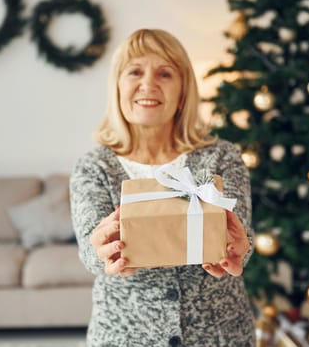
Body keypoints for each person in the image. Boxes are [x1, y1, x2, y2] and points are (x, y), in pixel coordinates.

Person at [70, 28, 255, 347]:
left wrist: (238, 249)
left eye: (165, 73)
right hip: (125, 337)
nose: (148, 84)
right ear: (117, 86)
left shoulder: (221, 156)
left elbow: (242, 239)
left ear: (183, 91)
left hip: (219, 335)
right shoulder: (94, 166)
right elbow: (90, 250)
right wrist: (103, 252)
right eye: (135, 71)